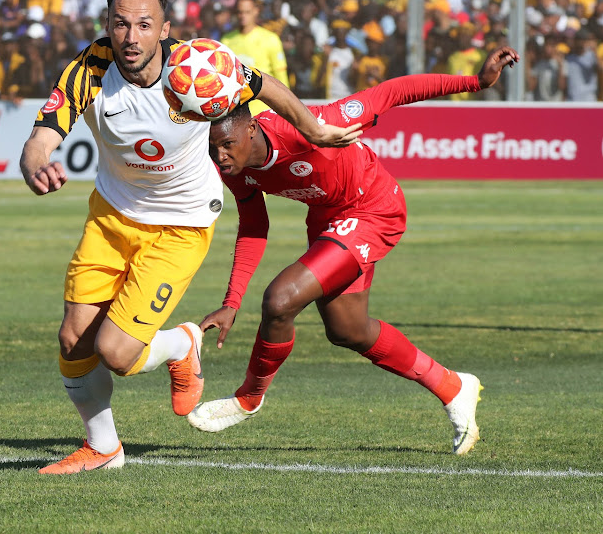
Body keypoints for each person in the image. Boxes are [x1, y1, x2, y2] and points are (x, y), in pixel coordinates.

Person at [20, 0, 359, 475]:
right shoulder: (88, 69)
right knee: (74, 339)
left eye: (144, 25)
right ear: (107, 27)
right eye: (120, 24)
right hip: (113, 214)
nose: (131, 37)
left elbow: (261, 83)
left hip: (182, 223)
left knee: (115, 352)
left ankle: (183, 343)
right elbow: (43, 134)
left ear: (164, 29)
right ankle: (103, 448)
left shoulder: (196, 66)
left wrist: (312, 128)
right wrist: (35, 164)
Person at [187, 45, 521, 456]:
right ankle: (453, 386)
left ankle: (248, 397)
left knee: (280, 298)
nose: (219, 157)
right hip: (329, 221)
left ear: (251, 129)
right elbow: (255, 226)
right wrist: (231, 301)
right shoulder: (235, 169)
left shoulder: (309, 127)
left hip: (373, 209)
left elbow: (393, 92)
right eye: (212, 148)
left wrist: (477, 82)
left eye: (226, 145)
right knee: (347, 330)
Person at [221, 0, 289, 113]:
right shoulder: (226, 41)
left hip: (264, 111)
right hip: (236, 112)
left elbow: (282, 79)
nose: (243, 16)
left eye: (247, 12)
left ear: (256, 11)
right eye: (240, 12)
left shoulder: (270, 39)